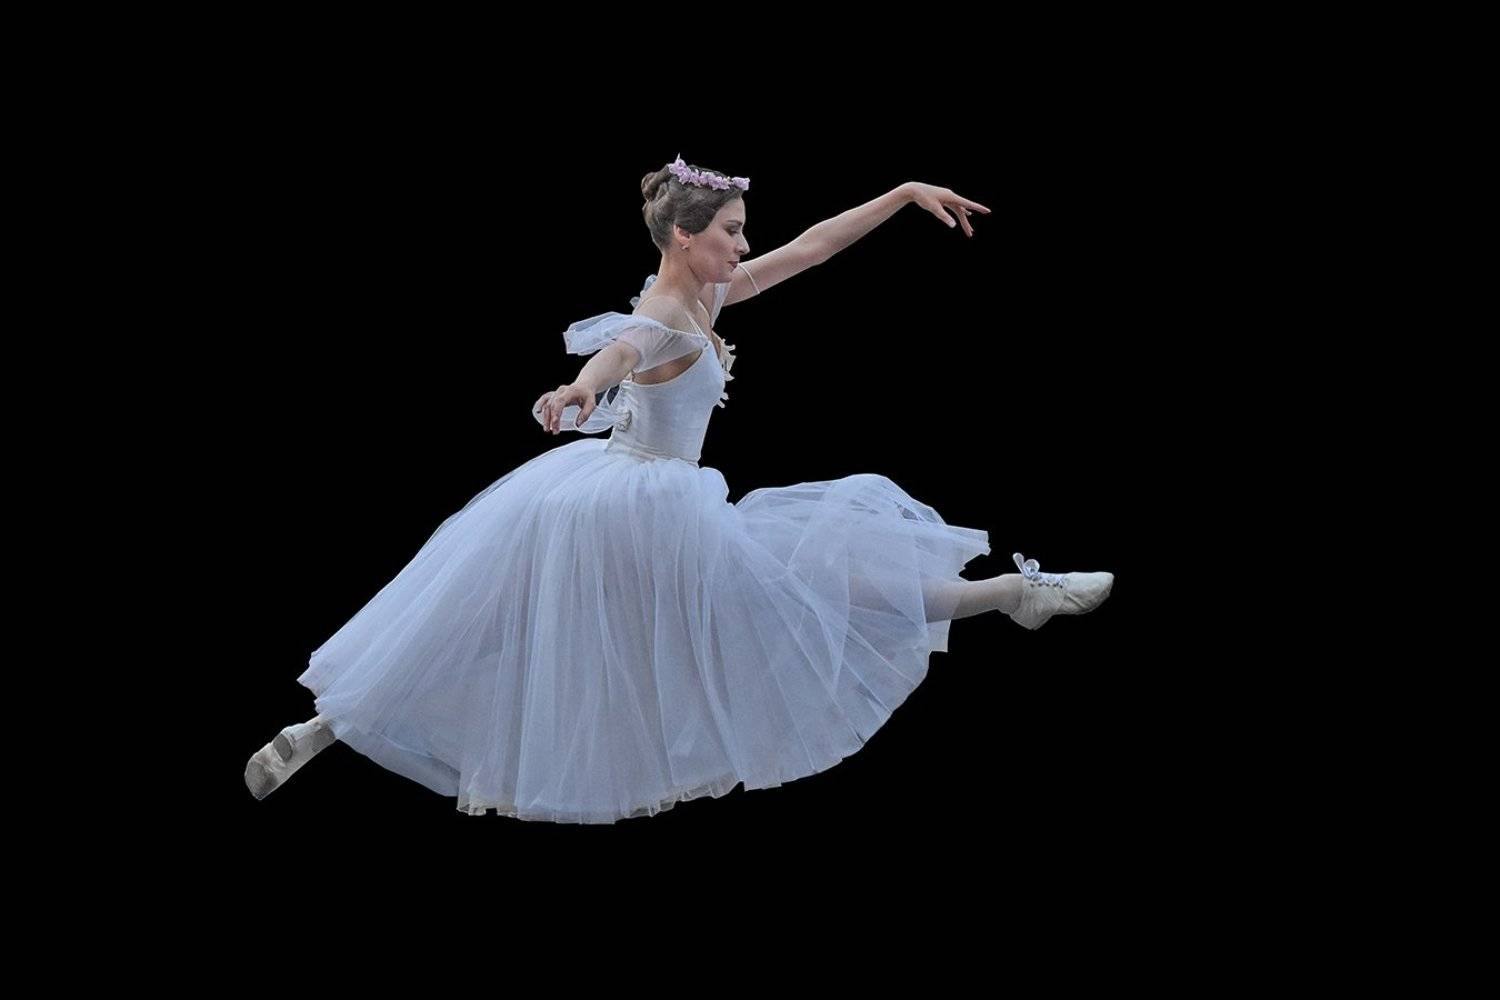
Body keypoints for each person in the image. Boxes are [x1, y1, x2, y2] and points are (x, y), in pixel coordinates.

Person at [244, 154, 1114, 821]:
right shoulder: (663, 314)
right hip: (638, 507)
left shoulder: (707, 299)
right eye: (732, 231)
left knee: (497, 626)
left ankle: (324, 729)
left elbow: (810, 249)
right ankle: (1014, 595)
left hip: (624, 497)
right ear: (683, 239)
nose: (744, 245)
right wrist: (582, 386)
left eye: (742, 230)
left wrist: (899, 193)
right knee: (810, 586)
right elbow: (621, 350)